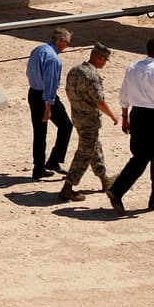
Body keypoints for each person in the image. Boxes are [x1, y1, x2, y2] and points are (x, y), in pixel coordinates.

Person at [106, 37, 154, 214]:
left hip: (136, 115)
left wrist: (125, 117)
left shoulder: (132, 68)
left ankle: (118, 190)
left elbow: (123, 94)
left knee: (140, 156)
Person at [57, 42, 118, 202]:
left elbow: (67, 92)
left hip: (77, 117)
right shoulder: (92, 75)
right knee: (85, 152)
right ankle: (68, 187)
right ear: (98, 57)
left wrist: (78, 106)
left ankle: (104, 179)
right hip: (89, 120)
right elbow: (99, 102)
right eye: (104, 59)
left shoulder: (74, 70)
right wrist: (113, 116)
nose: (105, 62)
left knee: (94, 147)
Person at [26, 27, 74, 180]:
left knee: (39, 132)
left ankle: (38, 167)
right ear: (61, 41)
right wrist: (48, 106)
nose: (66, 47)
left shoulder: (38, 49)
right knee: (66, 126)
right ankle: (54, 160)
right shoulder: (53, 59)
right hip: (45, 97)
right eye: (67, 43)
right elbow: (50, 84)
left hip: (33, 92)